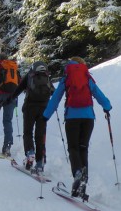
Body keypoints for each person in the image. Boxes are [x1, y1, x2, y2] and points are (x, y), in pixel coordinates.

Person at [43, 56, 111, 198]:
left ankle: (77, 174)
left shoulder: (67, 77)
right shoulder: (87, 77)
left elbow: (56, 98)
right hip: (88, 118)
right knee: (83, 148)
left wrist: (45, 116)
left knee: (73, 148)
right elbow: (98, 93)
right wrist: (107, 107)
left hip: (72, 117)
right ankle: (83, 181)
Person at [4, 61, 53, 173]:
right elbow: (53, 91)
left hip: (29, 108)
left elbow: (18, 89)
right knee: (40, 135)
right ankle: (40, 163)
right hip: (44, 110)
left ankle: (30, 153)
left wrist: (8, 100)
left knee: (28, 133)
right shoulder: (47, 77)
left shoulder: (30, 75)